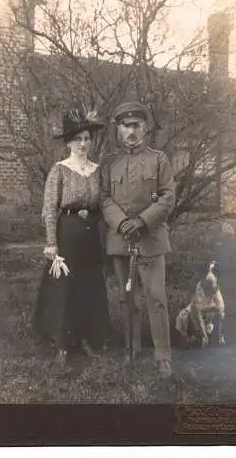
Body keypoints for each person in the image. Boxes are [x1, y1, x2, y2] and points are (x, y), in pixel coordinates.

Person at [100, 101, 176, 377]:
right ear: (118, 130)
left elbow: (168, 196)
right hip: (121, 239)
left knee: (156, 298)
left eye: (136, 125)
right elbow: (104, 197)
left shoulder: (159, 159)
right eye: (125, 126)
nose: (131, 131)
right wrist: (121, 222)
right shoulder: (110, 163)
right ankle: (132, 349)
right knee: (127, 297)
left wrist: (142, 221)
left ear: (145, 127)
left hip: (151, 239)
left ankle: (162, 355)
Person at [33, 107, 109, 371]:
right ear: (68, 142)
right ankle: (62, 343)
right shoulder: (60, 170)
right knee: (65, 288)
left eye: (87, 138)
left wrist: (93, 211)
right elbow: (50, 208)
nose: (83, 144)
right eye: (77, 139)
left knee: (88, 286)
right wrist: (51, 243)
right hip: (66, 234)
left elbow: (103, 203)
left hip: (89, 236)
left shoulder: (97, 170)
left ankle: (87, 338)